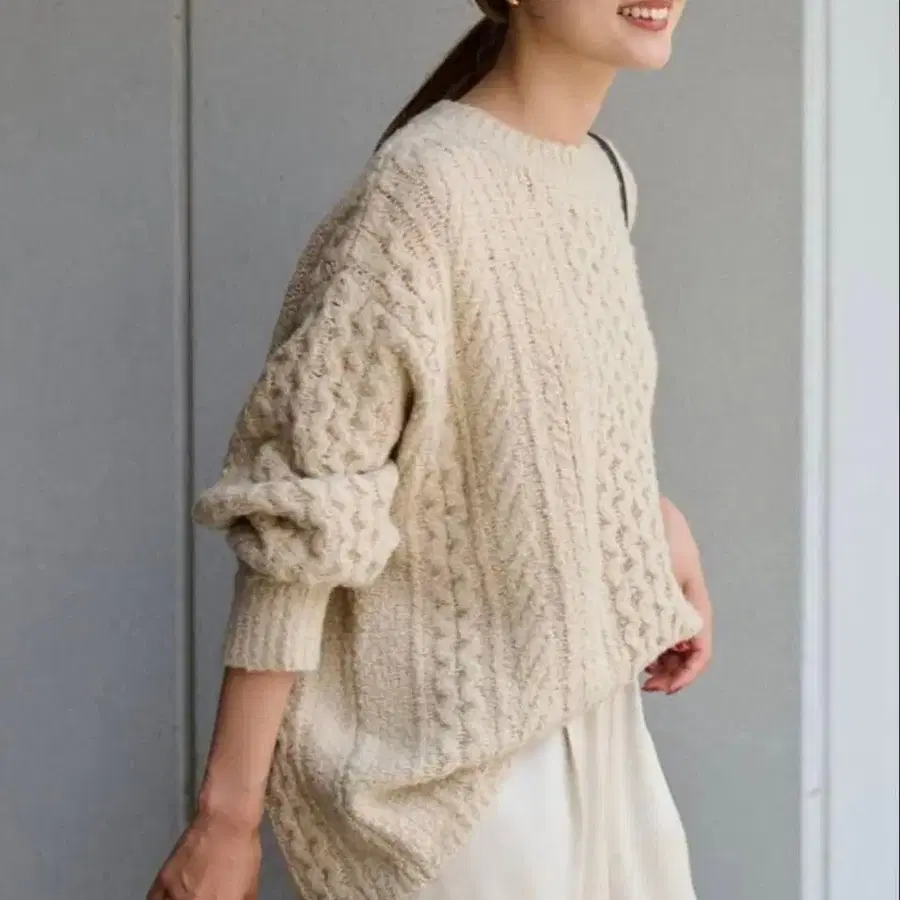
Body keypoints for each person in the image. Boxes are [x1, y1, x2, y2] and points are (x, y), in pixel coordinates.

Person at [147, 0, 714, 897]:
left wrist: (655, 532)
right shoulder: (424, 188)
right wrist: (227, 819)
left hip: (595, 730)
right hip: (462, 784)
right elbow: (308, 513)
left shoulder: (602, 176)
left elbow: (525, 434)